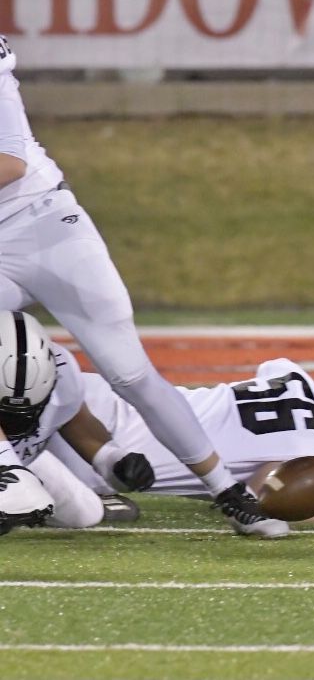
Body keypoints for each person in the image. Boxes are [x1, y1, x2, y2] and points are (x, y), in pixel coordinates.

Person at [0, 34, 276, 533]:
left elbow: (9, 164)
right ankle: (9, 473)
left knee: (129, 374)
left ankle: (227, 491)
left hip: (44, 227)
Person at [31, 361, 314, 531]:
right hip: (93, 451)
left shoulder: (293, 375)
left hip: (91, 394)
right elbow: (267, 495)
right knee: (74, 510)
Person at [0, 310, 156, 535]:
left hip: (22, 463)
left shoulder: (63, 373)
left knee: (85, 513)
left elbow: (77, 420)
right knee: (20, 496)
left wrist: (113, 459)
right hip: (10, 467)